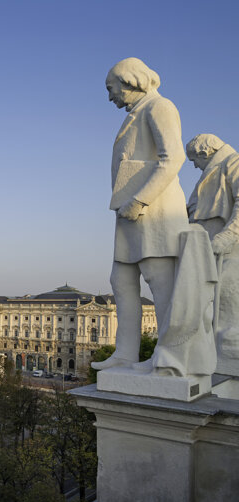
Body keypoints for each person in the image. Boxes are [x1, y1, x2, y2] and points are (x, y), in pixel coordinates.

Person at [92, 58, 189, 370]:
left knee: (160, 284)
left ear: (129, 82)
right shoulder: (137, 113)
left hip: (153, 211)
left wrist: (139, 200)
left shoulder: (160, 107)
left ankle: (169, 357)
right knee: (120, 280)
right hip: (129, 214)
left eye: (111, 89)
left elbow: (173, 158)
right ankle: (125, 353)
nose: (110, 97)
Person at [186, 133, 239, 371]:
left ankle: (227, 357)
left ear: (204, 153)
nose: (195, 166)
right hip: (207, 246)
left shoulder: (233, 163)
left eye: (194, 160)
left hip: (227, 248)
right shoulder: (213, 169)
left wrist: (228, 236)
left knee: (226, 295)